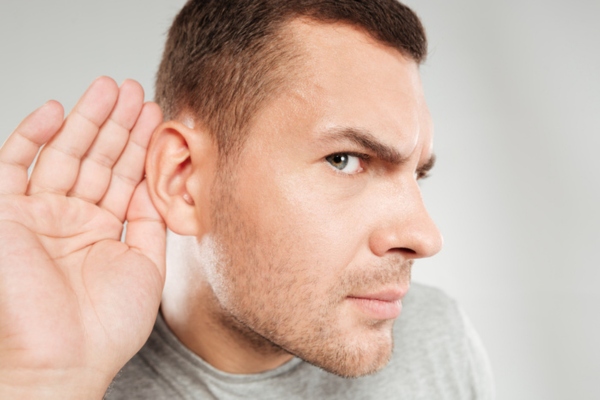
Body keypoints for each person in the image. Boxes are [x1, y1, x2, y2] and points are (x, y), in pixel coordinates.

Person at [0, 0, 494, 398]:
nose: (425, 237)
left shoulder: (436, 335)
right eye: (346, 159)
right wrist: (48, 385)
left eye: (418, 174)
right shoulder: (46, 364)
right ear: (184, 179)